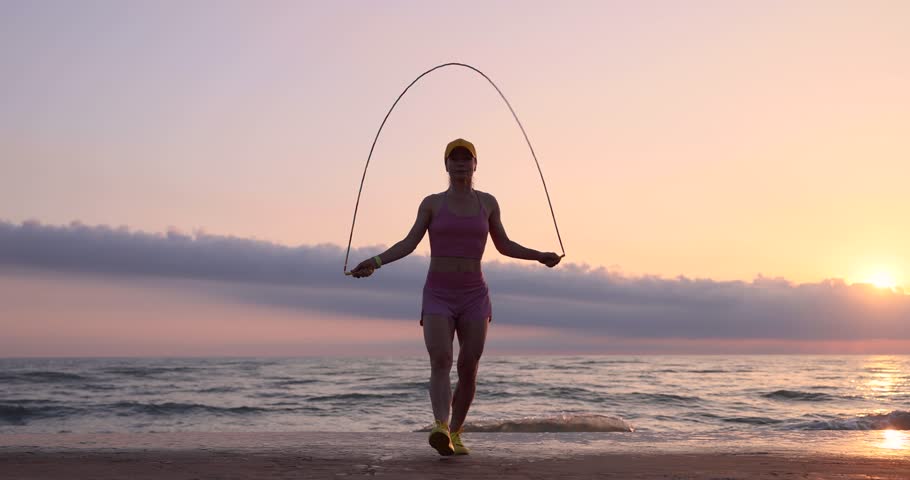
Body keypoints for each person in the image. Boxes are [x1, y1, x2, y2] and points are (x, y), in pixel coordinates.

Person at [350, 138, 561, 456]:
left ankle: (457, 432)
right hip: (438, 293)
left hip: (475, 294)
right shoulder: (432, 203)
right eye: (455, 158)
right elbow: (409, 243)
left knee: (468, 367)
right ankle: (440, 427)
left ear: (476, 165)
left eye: (467, 158)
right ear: (446, 165)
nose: (461, 163)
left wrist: (538, 255)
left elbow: (504, 245)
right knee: (440, 361)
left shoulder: (488, 203)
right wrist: (375, 262)